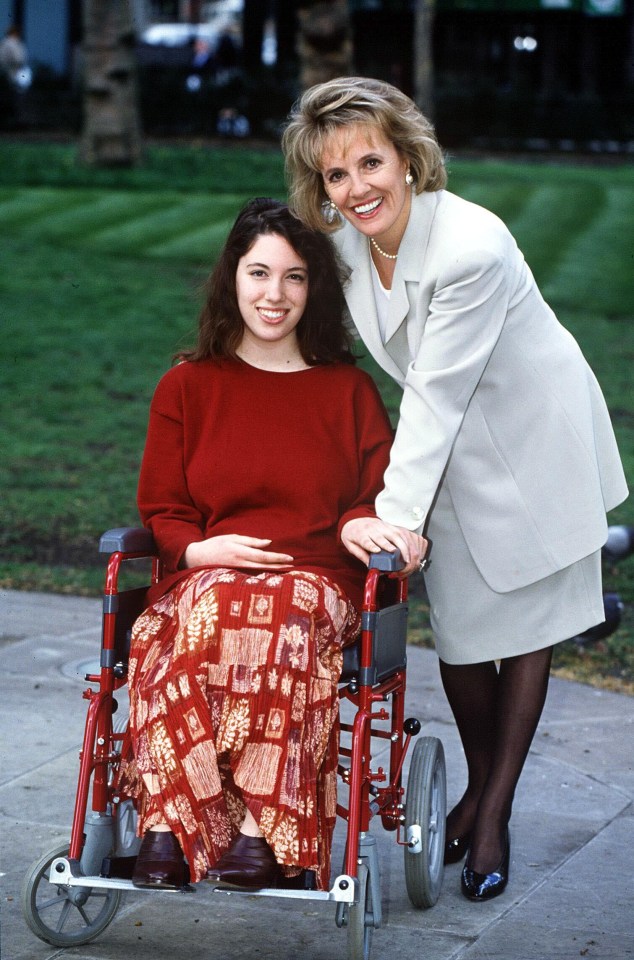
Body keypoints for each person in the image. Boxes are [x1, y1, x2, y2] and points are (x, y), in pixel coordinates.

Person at [281, 78, 628, 902]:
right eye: (336, 175)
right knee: (469, 635)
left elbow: (434, 392)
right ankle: (476, 790)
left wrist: (392, 522)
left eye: (372, 162)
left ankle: (493, 811)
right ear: (321, 187)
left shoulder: (471, 246)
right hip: (449, 451)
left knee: (529, 624)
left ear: (408, 159)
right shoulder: (343, 244)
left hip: (536, 436)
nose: (358, 188)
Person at [117, 198, 426, 894]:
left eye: (293, 277)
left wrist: (360, 521)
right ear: (233, 279)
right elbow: (163, 509)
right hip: (208, 573)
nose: (274, 295)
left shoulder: (347, 392)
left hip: (317, 578)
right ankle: (169, 824)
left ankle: (261, 832)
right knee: (203, 619)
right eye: (259, 273)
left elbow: (375, 497)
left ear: (313, 289)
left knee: (278, 622)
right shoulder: (187, 386)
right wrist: (201, 551)